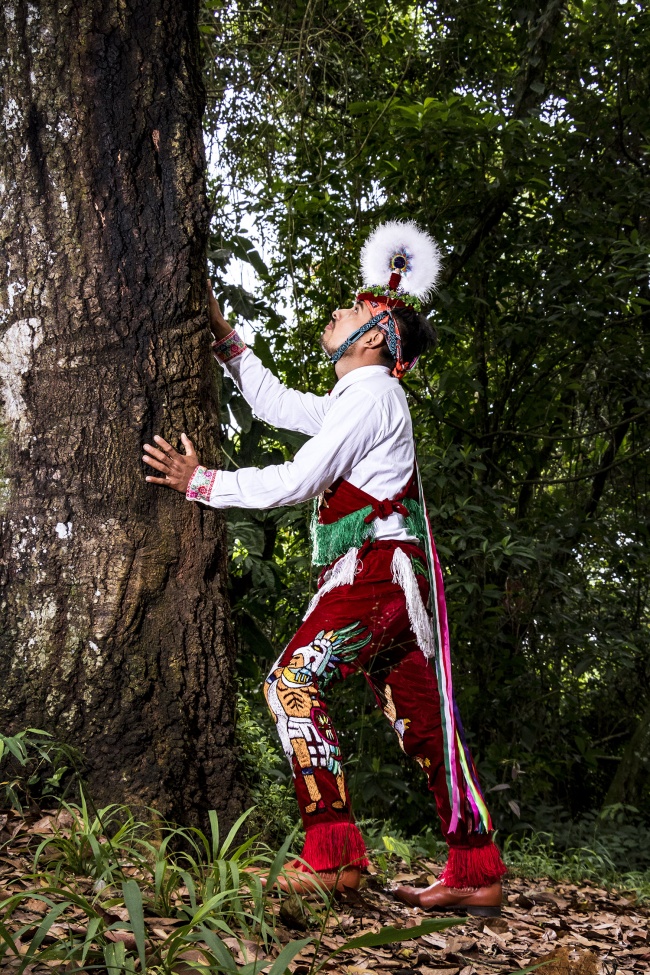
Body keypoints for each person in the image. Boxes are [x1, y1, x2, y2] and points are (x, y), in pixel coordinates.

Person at [142, 221, 507, 915]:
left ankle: (333, 856)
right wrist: (227, 341)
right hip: (390, 579)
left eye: (354, 307)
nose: (338, 310)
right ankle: (474, 865)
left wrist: (201, 481)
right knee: (427, 725)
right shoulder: (360, 400)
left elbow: (300, 477)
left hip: (373, 573)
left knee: (291, 683)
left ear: (372, 337)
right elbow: (277, 404)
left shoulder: (371, 397)